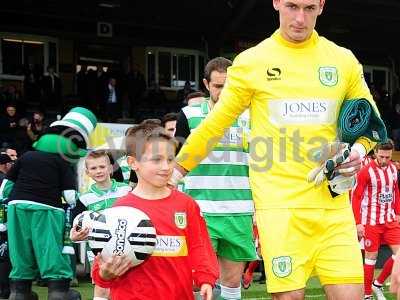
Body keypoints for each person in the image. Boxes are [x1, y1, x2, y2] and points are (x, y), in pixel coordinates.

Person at [171, 1, 385, 299]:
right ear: (276, 3)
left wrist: (358, 153)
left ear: (322, 6)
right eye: (292, 6)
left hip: (333, 208)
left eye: (309, 8)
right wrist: (177, 170)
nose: (300, 18)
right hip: (279, 211)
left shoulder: (342, 60)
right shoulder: (251, 62)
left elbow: (370, 122)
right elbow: (214, 125)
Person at [91, 123, 219, 300]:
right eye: (156, 160)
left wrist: (205, 279)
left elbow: (200, 246)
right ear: (133, 163)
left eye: (170, 159)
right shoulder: (120, 210)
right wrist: (105, 274)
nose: (166, 167)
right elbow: (101, 266)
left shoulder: (186, 204)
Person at [175, 56, 256, 300]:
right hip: (200, 211)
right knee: (198, 282)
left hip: (239, 210)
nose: (223, 92)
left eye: (229, 86)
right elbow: (175, 159)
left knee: (232, 284)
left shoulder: (252, 116)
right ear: (206, 84)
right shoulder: (188, 115)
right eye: (218, 86)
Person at [70, 150, 132, 300]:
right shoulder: (84, 198)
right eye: (93, 168)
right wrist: (75, 236)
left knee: (127, 286)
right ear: (87, 172)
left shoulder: (127, 191)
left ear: (110, 168)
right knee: (102, 288)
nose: (98, 171)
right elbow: (76, 226)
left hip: (127, 248)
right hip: (98, 252)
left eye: (102, 167)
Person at [352, 141, 400, 300]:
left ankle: (377, 284)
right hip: (370, 222)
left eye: (388, 156)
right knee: (371, 259)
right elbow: (356, 197)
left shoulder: (393, 168)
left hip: (390, 220)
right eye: (381, 156)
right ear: (375, 153)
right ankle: (367, 295)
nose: (385, 159)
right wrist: (358, 222)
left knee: (399, 255)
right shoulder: (366, 172)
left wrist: (398, 212)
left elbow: (395, 191)